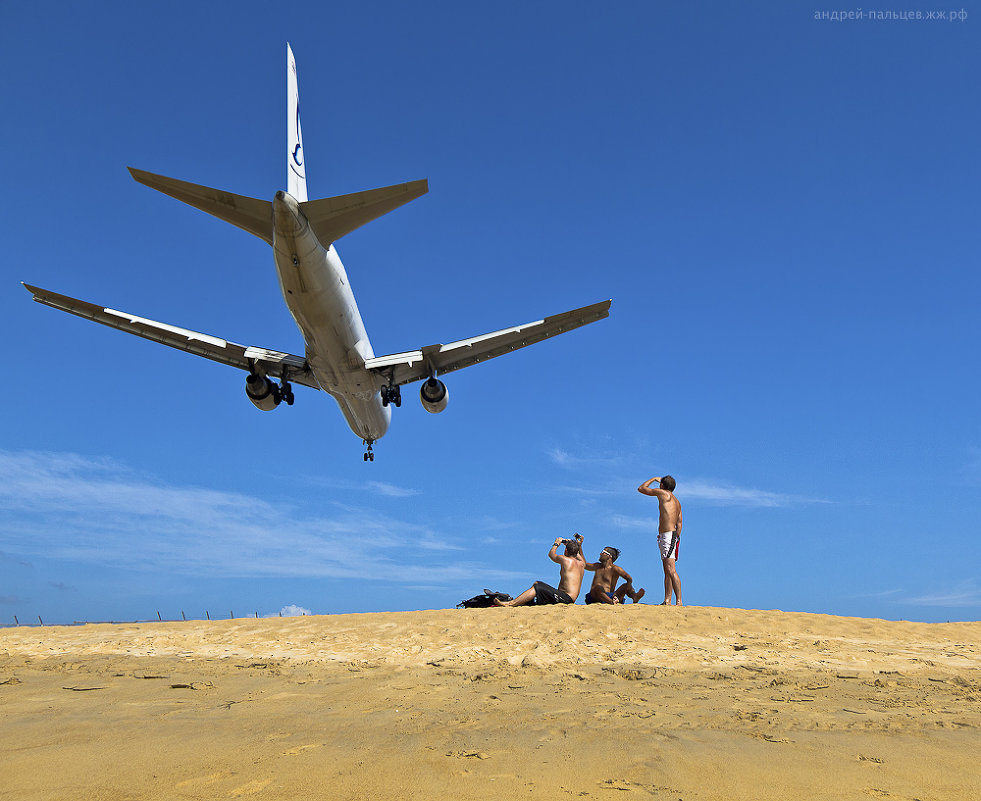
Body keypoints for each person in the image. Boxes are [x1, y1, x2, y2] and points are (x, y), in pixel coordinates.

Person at [493, 535, 586, 606]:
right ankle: (518, 602)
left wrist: (556, 543)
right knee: (537, 594)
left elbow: (551, 554)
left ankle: (510, 604)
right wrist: (576, 545)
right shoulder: (582, 564)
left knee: (538, 585)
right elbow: (577, 554)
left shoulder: (565, 560)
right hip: (569, 599)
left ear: (566, 551)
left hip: (566, 598)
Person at [638, 475, 683, 606]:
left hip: (668, 536)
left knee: (671, 569)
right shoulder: (677, 502)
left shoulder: (664, 494)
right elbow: (679, 524)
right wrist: (677, 538)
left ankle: (679, 600)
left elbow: (641, 488)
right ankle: (667, 600)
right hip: (670, 536)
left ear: (662, 485)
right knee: (667, 570)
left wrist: (652, 479)